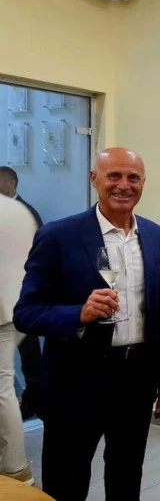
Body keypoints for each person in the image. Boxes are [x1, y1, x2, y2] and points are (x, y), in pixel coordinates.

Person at [13, 148, 160, 501]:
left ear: (143, 183)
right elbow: (26, 312)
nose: (124, 185)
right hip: (76, 381)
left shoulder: (155, 235)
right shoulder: (58, 235)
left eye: (133, 177)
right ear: (94, 179)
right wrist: (79, 314)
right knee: (66, 482)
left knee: (126, 477)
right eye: (114, 175)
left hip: (136, 381)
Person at [0, 166, 43, 421]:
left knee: (29, 353)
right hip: (8, 295)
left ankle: (33, 401)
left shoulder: (26, 213)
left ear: (9, 185)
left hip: (24, 296)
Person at [0, 194, 36, 485]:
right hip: (18, 308)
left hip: (3, 314)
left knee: (2, 388)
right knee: (4, 385)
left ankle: (15, 467)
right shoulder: (18, 209)